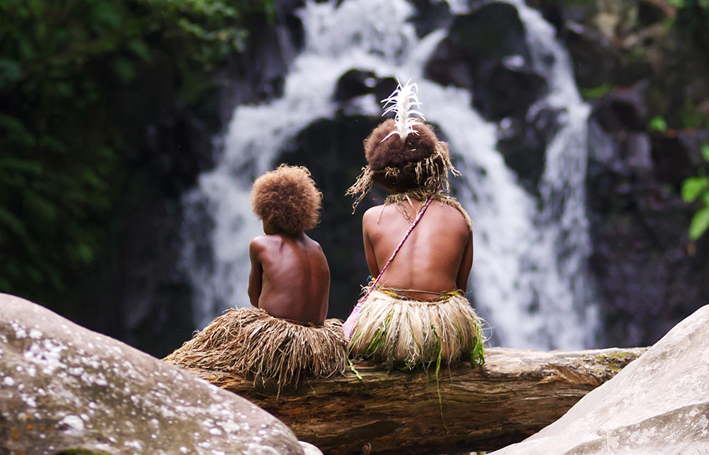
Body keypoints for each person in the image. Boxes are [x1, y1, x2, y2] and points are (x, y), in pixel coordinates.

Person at [344, 80, 485, 371]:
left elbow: (379, 281)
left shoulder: (372, 217)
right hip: (445, 333)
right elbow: (460, 288)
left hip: (386, 331)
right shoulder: (459, 217)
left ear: (381, 176)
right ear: (434, 167)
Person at [164, 164, 346, 387]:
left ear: (270, 213)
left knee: (213, 344)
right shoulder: (317, 248)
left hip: (278, 341)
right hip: (317, 344)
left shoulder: (261, 244)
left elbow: (254, 299)